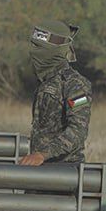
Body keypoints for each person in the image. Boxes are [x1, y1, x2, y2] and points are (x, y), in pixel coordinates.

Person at [18, 20, 92, 166]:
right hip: (41, 166)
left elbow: (78, 131)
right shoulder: (46, 82)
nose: (33, 52)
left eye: (39, 47)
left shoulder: (74, 84)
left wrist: (43, 154)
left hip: (64, 170)